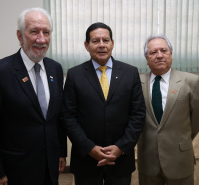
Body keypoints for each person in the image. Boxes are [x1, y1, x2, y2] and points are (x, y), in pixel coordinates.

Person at [62, 22, 146, 185]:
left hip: (120, 160)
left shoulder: (130, 73)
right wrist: (90, 148)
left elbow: (138, 114)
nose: (101, 45)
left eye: (105, 40)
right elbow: (68, 117)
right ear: (86, 45)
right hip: (86, 159)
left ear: (112, 43)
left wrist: (120, 147)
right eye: (95, 41)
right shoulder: (74, 75)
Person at [0, 8, 66, 185]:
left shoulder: (55, 68)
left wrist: (61, 152)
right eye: (34, 31)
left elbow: (57, 118)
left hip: (50, 166)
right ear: (20, 36)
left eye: (46, 32)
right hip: (15, 170)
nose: (41, 39)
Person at [137, 35, 199, 185]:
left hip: (180, 158)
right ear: (147, 59)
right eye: (153, 52)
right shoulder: (136, 83)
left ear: (171, 55)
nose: (159, 55)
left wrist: (181, 138)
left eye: (164, 50)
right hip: (148, 159)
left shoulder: (191, 81)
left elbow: (198, 120)